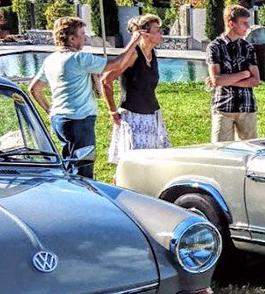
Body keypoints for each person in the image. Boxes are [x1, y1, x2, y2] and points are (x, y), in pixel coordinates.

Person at [27, 15, 116, 178]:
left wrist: (49, 109)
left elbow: (35, 89)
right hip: (79, 121)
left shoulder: (51, 60)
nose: (85, 38)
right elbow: (116, 64)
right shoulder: (78, 58)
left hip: (60, 121)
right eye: (82, 34)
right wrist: (134, 44)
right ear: (71, 38)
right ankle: (84, 200)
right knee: (83, 171)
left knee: (69, 165)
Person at [101, 13, 169, 164]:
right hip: (133, 116)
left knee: (154, 161)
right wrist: (112, 111)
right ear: (144, 34)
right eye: (157, 30)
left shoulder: (152, 54)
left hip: (152, 114)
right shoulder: (133, 55)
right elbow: (106, 80)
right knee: (133, 163)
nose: (161, 33)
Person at [207, 4, 260, 142]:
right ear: (231, 24)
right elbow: (217, 80)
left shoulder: (248, 48)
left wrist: (227, 79)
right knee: (221, 151)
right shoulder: (214, 47)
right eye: (244, 23)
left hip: (247, 107)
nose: (248, 27)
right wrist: (243, 75)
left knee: (251, 150)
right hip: (223, 107)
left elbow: (255, 81)